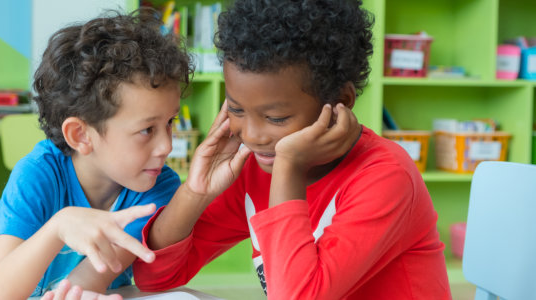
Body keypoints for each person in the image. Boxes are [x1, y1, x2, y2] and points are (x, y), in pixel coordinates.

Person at [130, 0, 452, 299]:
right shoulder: (253, 167)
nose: (253, 136)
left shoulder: (385, 177)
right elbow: (153, 277)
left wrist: (288, 167)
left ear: (341, 101)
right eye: (237, 109)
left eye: (276, 117)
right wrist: (195, 193)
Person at [0, 9, 193, 299]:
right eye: (147, 130)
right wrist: (59, 227)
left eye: (170, 123)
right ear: (81, 135)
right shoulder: (38, 175)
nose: (166, 146)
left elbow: (87, 282)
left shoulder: (157, 188)